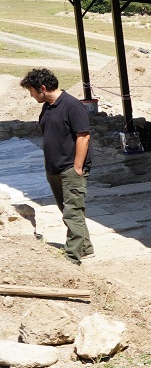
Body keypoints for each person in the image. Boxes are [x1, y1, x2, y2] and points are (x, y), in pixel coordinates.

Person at [20, 68, 94, 264]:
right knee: (67, 209)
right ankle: (85, 247)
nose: (31, 95)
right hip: (54, 168)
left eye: (32, 91)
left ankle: (72, 257)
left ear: (42, 88)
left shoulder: (72, 106)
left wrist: (77, 168)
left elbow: (83, 136)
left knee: (73, 212)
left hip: (71, 169)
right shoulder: (48, 106)